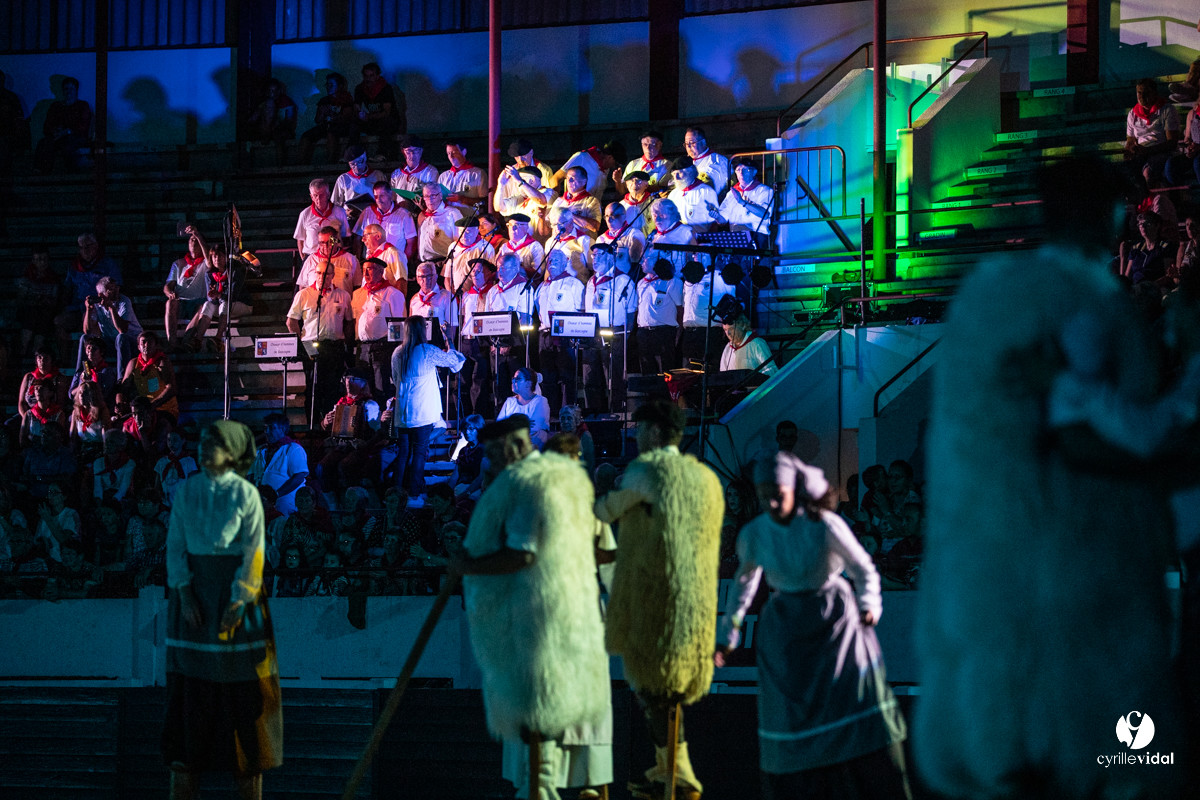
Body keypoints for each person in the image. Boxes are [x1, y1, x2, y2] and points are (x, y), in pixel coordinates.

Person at [914, 157, 1197, 800]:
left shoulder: (989, 290)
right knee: (1111, 750)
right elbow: (1091, 435)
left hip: (992, 573)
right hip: (1079, 567)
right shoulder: (1084, 300)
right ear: (1111, 213)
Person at [715, 452, 910, 800]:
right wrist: (729, 635)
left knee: (852, 700)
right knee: (791, 714)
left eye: (779, 494)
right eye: (763, 497)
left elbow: (862, 567)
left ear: (794, 489)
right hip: (786, 628)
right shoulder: (755, 534)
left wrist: (869, 605)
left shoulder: (823, 524)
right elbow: (744, 585)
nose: (772, 503)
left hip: (834, 621)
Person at [454, 415, 611, 800]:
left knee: (538, 713)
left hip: (541, 615)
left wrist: (470, 566)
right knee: (548, 715)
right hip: (572, 614)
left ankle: (540, 790)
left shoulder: (528, 484)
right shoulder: (562, 479)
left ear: (516, 445)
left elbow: (523, 555)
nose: (489, 462)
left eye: (493, 452)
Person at [594, 400, 723, 800]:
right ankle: (674, 769)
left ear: (652, 432)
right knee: (665, 691)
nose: (633, 436)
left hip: (656, 601)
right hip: (694, 600)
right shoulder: (703, 477)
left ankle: (677, 773)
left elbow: (606, 510)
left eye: (638, 430)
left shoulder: (646, 472)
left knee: (653, 688)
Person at [164, 420, 282, 799]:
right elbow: (175, 545)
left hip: (238, 609)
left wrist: (239, 598)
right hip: (195, 608)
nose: (202, 450)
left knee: (245, 726)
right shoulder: (186, 491)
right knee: (189, 722)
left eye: (212, 445)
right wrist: (183, 592)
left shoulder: (246, 494)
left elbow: (254, 552)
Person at [387, 317, 466, 506]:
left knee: (404, 452)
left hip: (404, 412)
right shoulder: (426, 351)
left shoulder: (398, 352)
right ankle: (413, 494)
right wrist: (450, 339)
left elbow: (394, 377)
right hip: (421, 411)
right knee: (420, 452)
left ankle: (396, 493)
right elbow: (454, 363)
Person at [286, 257, 355, 420]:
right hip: (311, 345)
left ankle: (330, 423)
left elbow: (349, 321)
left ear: (332, 276)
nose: (321, 277)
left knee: (332, 387)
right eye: (318, 273)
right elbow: (291, 321)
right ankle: (313, 422)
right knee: (313, 386)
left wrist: (346, 341)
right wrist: (301, 342)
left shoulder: (343, 295)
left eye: (326, 274)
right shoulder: (304, 294)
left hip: (334, 346)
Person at [581, 244, 637, 412]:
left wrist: (624, 336)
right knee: (590, 377)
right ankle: (594, 413)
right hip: (592, 334)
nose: (594, 259)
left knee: (613, 378)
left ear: (610, 256)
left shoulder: (623, 280)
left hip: (614, 333)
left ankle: (615, 413)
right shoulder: (591, 281)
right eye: (593, 256)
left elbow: (631, 311)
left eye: (598, 255)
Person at [318, 367, 383, 495]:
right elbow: (330, 429)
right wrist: (326, 422)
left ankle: (353, 498)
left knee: (345, 466)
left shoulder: (370, 405)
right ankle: (332, 502)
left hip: (361, 448)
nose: (348, 382)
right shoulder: (340, 403)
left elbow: (376, 431)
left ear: (364, 383)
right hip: (341, 447)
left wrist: (365, 441)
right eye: (346, 379)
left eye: (353, 379)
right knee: (322, 467)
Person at [536, 250, 585, 415]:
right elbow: (539, 311)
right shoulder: (542, 287)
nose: (552, 262)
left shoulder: (574, 284)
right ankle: (551, 413)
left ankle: (568, 414)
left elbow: (581, 311)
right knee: (548, 377)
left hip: (566, 335)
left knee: (567, 376)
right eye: (549, 260)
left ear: (566, 262)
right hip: (545, 334)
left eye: (557, 259)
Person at [351, 257, 407, 399]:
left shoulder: (392, 294)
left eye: (369, 269)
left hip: (382, 348)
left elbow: (399, 325)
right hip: (363, 348)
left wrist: (395, 350)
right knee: (362, 388)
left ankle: (383, 418)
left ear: (380, 271)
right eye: (363, 270)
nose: (365, 274)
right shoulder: (360, 294)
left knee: (380, 388)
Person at [80, 276, 142, 380]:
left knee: (121, 338)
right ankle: (83, 373)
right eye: (111, 290)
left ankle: (122, 379)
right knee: (85, 338)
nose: (116, 291)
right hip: (110, 343)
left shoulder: (124, 301)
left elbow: (122, 330)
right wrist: (88, 310)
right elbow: (87, 330)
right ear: (101, 294)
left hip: (132, 343)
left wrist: (111, 308)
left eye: (116, 287)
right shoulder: (97, 305)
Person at [1124, 78, 1180, 191]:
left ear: (1154, 93)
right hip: (1142, 152)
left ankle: (1153, 202)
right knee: (1127, 170)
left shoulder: (1167, 110)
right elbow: (1130, 139)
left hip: (1161, 151)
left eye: (1146, 92)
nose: (1141, 96)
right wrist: (1130, 149)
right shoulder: (1132, 114)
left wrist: (1148, 150)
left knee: (1148, 172)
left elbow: (1172, 143)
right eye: (1139, 92)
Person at [460, 258, 499, 417]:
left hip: (482, 341)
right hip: (466, 340)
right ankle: (463, 415)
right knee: (463, 380)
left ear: (489, 273)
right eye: (473, 272)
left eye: (479, 271)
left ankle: (477, 415)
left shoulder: (492, 292)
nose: (474, 274)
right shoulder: (466, 295)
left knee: (479, 381)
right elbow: (463, 317)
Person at [250, 414, 309, 516]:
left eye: (271, 428)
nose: (266, 432)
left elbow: (299, 476)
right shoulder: (261, 451)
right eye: (265, 428)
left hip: (285, 508)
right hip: (260, 507)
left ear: (283, 429)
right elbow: (251, 475)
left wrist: (276, 494)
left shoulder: (293, 449)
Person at [635, 254, 684, 375]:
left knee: (666, 369)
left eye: (645, 259)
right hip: (644, 332)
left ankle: (667, 394)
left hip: (663, 332)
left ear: (655, 262)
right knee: (647, 369)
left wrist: (679, 332)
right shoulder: (641, 282)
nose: (641, 262)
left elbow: (680, 309)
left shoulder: (672, 281)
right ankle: (651, 394)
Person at [34, 75, 92, 174]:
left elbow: (83, 125)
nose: (68, 91)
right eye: (66, 88)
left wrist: (67, 131)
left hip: (76, 137)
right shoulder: (56, 106)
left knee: (68, 145)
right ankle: (43, 172)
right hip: (58, 137)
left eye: (71, 88)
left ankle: (71, 174)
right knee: (44, 143)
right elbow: (47, 125)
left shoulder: (82, 105)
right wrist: (55, 131)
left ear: (76, 90)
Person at [354, 180, 418, 270]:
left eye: (382, 196)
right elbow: (357, 238)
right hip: (371, 265)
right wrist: (358, 262)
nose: (378, 200)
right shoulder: (368, 212)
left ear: (390, 195)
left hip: (393, 265)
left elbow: (411, 243)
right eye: (376, 197)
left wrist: (402, 263)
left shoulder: (404, 215)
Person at [163, 226, 209, 348]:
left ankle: (186, 340)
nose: (193, 241)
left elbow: (209, 258)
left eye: (196, 240)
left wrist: (197, 234)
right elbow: (168, 286)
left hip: (198, 301)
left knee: (203, 307)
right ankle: (171, 341)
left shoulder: (206, 262)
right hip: (181, 302)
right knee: (169, 303)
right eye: (191, 239)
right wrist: (170, 293)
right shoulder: (178, 263)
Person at [122, 330, 179, 424]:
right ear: (138, 347)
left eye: (150, 342)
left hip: (164, 409)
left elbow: (171, 388)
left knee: (160, 426)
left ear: (156, 345)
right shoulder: (133, 363)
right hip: (141, 411)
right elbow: (123, 388)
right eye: (143, 342)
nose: (146, 345)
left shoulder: (162, 362)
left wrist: (151, 405)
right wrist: (120, 402)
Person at [299, 72, 355, 165]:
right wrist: (322, 113)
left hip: (340, 127)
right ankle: (300, 163)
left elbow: (346, 117)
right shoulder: (324, 100)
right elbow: (318, 120)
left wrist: (333, 116)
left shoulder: (346, 99)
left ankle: (330, 161)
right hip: (325, 126)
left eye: (331, 85)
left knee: (331, 133)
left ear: (340, 86)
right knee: (306, 136)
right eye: (327, 84)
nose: (328, 87)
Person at [17, 243, 62, 359]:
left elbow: (54, 300)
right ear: (33, 260)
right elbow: (21, 299)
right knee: (31, 315)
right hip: (28, 312)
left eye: (44, 259)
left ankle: (36, 352)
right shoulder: (26, 276)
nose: (41, 263)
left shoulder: (53, 278)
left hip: (46, 313)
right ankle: (22, 350)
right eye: (38, 259)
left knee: (43, 316)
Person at [353, 62, 405, 156]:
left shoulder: (385, 88)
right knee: (354, 124)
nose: (368, 79)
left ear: (377, 76)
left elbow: (387, 112)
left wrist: (369, 116)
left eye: (371, 76)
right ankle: (353, 154)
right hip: (373, 122)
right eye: (366, 76)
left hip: (389, 122)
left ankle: (382, 154)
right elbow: (356, 107)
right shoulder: (360, 89)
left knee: (386, 122)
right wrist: (359, 114)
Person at [294, 178, 350, 261]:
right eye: (315, 196)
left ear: (328, 195)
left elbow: (346, 239)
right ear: (311, 197)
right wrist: (304, 259)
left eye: (322, 195)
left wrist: (336, 234)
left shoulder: (339, 212)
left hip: (333, 257)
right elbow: (300, 240)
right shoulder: (305, 214)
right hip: (311, 257)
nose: (318, 199)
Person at [497, 166, 556, 244]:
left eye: (521, 179)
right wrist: (500, 185)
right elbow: (498, 207)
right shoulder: (519, 197)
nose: (518, 184)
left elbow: (541, 201)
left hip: (539, 245)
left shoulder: (548, 192)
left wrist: (520, 181)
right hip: (520, 246)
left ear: (532, 181)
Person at [296, 226, 361, 296]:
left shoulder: (351, 259)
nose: (325, 246)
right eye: (322, 243)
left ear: (336, 241)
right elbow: (302, 287)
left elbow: (357, 286)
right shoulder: (311, 260)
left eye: (329, 242)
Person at [331, 146, 385, 230]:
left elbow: (387, 199)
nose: (357, 167)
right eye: (352, 164)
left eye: (360, 162)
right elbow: (335, 205)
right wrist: (345, 213)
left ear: (365, 157)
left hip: (373, 218)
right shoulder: (343, 179)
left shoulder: (377, 175)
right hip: (351, 220)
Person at [245, 78, 297, 165]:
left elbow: (289, 121)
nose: (272, 93)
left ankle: (280, 167)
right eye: (270, 90)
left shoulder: (286, 102)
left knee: (279, 137)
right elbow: (253, 119)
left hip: (282, 130)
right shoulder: (265, 103)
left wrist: (277, 125)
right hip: (267, 128)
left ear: (279, 91)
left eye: (274, 90)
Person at [497, 367, 551, 448]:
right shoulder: (509, 401)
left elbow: (534, 428)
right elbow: (499, 426)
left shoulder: (540, 401)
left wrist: (510, 423)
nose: (513, 381)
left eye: (517, 379)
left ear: (528, 383)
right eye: (513, 378)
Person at [553, 142, 624, 203]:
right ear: (609, 157)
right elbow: (556, 178)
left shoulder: (605, 169)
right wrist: (557, 204)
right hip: (574, 210)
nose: (613, 167)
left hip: (592, 211)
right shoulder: (582, 157)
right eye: (615, 164)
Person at [496, 138, 556, 209]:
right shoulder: (509, 173)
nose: (520, 160)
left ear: (531, 152)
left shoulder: (544, 170)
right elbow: (501, 204)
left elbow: (547, 198)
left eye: (523, 155)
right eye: (517, 157)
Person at [665, 157, 720, 234]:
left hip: (700, 240)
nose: (676, 178)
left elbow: (715, 222)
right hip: (678, 240)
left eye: (679, 173)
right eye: (674, 174)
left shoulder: (706, 191)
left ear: (690, 172)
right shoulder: (673, 194)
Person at [410, 261, 460, 342]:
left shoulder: (447, 297)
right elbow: (410, 327)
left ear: (436, 276)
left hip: (439, 346)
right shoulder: (414, 300)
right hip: (418, 345)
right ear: (417, 279)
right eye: (422, 277)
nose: (425, 280)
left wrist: (448, 348)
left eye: (429, 276)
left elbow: (452, 328)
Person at [447, 216, 496, 296]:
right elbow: (448, 277)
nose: (464, 236)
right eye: (461, 231)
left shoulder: (486, 247)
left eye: (468, 232)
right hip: (456, 295)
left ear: (477, 231)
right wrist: (452, 295)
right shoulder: (453, 247)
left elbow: (491, 277)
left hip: (477, 295)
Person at [18, 348, 69, 421]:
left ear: (52, 360)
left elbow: (61, 403)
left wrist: (46, 419)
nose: (42, 361)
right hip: (29, 415)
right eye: (39, 358)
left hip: (51, 416)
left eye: (46, 358)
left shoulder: (59, 378)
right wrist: (27, 418)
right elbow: (21, 402)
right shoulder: (29, 377)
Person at [416, 181, 462, 263]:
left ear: (440, 196)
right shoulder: (422, 215)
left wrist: (448, 262)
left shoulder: (453, 213)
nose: (430, 199)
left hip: (444, 261)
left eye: (433, 195)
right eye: (426, 196)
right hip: (424, 262)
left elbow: (459, 241)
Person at [551, 166, 602, 236]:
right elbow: (549, 226)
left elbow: (595, 227)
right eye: (567, 178)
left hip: (580, 244)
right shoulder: (559, 201)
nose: (569, 181)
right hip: (560, 245)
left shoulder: (591, 201)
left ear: (584, 182)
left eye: (573, 179)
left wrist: (569, 215)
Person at [360, 223, 409, 294]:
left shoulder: (394, 253)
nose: (363, 239)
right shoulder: (370, 255)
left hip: (385, 300)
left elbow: (401, 282)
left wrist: (399, 303)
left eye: (366, 236)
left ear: (378, 236)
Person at [155, 431, 199, 507]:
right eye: (169, 440)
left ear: (183, 441)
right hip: (165, 504)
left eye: (175, 439)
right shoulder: (162, 462)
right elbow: (157, 486)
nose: (171, 443)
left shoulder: (189, 461)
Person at [595, 202, 646, 267]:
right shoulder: (601, 239)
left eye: (613, 215)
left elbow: (636, 264)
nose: (609, 220)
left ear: (624, 216)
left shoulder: (634, 235)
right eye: (606, 216)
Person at [439, 140, 488, 208]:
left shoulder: (478, 173)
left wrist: (462, 199)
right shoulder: (443, 177)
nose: (451, 156)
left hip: (470, 217)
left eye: (454, 152)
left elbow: (485, 202)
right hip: (448, 218)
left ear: (464, 152)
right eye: (448, 153)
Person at [683, 127, 730, 196]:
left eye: (692, 142)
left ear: (703, 142)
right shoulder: (684, 163)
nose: (689, 147)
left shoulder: (718, 161)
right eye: (686, 144)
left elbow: (730, 184)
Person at [501, 214, 546, 279]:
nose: (512, 229)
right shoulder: (505, 247)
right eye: (509, 225)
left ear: (526, 227)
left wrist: (517, 268)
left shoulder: (534, 247)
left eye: (516, 226)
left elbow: (538, 273)